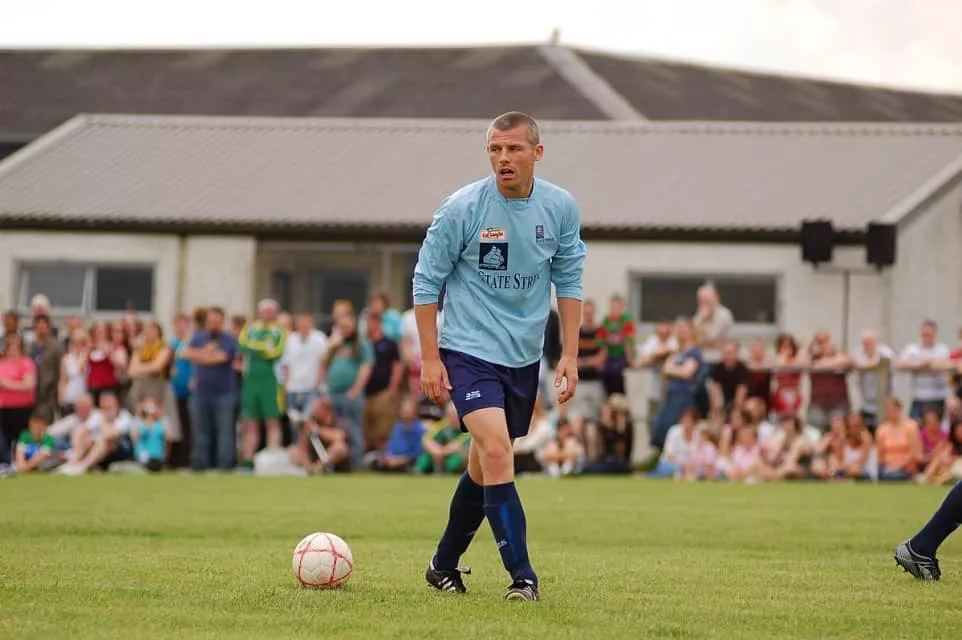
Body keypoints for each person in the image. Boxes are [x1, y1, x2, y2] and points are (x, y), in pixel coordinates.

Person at [412, 111, 586, 601]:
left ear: (537, 152)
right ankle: (522, 577)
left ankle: (442, 564)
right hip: (467, 350)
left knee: (482, 465)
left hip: (523, 356)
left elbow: (569, 280)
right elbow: (426, 281)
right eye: (495, 148)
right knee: (495, 451)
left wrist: (569, 355)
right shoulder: (462, 208)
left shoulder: (559, 207)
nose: (503, 158)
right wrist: (430, 358)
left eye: (513, 148)